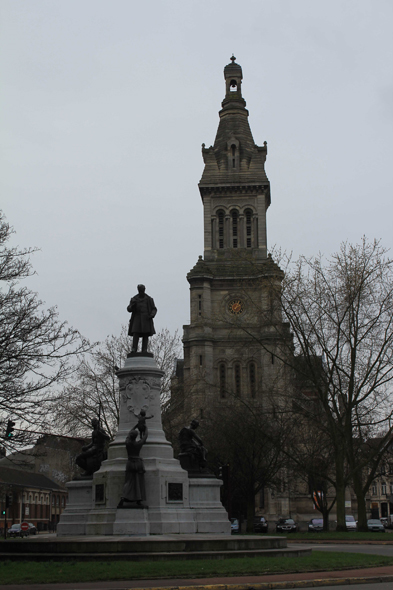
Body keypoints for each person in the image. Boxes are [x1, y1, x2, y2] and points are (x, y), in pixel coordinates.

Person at [118, 426, 148, 506]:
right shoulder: (138, 444)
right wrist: (145, 427)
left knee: (128, 481)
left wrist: (135, 426)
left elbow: (128, 434)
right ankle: (138, 499)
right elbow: (145, 437)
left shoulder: (127, 442)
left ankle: (124, 497)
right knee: (139, 482)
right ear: (136, 436)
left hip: (130, 463)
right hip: (138, 463)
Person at [127, 284, 157, 353]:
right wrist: (132, 306)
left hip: (146, 319)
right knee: (135, 333)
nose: (141, 291)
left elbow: (154, 309)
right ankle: (134, 349)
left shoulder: (149, 299)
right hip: (136, 319)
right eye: (140, 290)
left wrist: (152, 315)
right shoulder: (134, 299)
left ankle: (144, 350)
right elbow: (129, 309)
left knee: (145, 334)